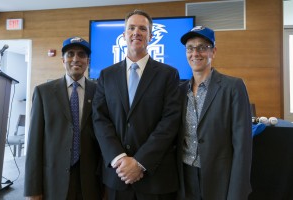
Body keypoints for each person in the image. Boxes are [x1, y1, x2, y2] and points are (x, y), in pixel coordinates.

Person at [93, 9, 181, 200]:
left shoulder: (169, 75)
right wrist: (119, 159)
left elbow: (170, 121)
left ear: (150, 36)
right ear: (124, 35)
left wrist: (140, 162)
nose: (136, 32)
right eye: (131, 28)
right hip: (118, 175)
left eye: (143, 28)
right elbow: (100, 119)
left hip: (155, 176)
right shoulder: (106, 75)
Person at [177, 26, 252, 200]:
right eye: (190, 48)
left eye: (202, 47)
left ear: (213, 52)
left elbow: (243, 147)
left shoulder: (233, 87)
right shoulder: (180, 91)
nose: (195, 53)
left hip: (219, 180)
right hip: (185, 178)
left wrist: (237, 193)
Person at [24, 37, 103, 200]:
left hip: (90, 181)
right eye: (70, 54)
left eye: (81, 55)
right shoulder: (43, 92)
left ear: (87, 61)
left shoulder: (99, 92)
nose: (76, 59)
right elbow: (34, 144)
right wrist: (32, 189)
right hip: (53, 180)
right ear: (62, 60)